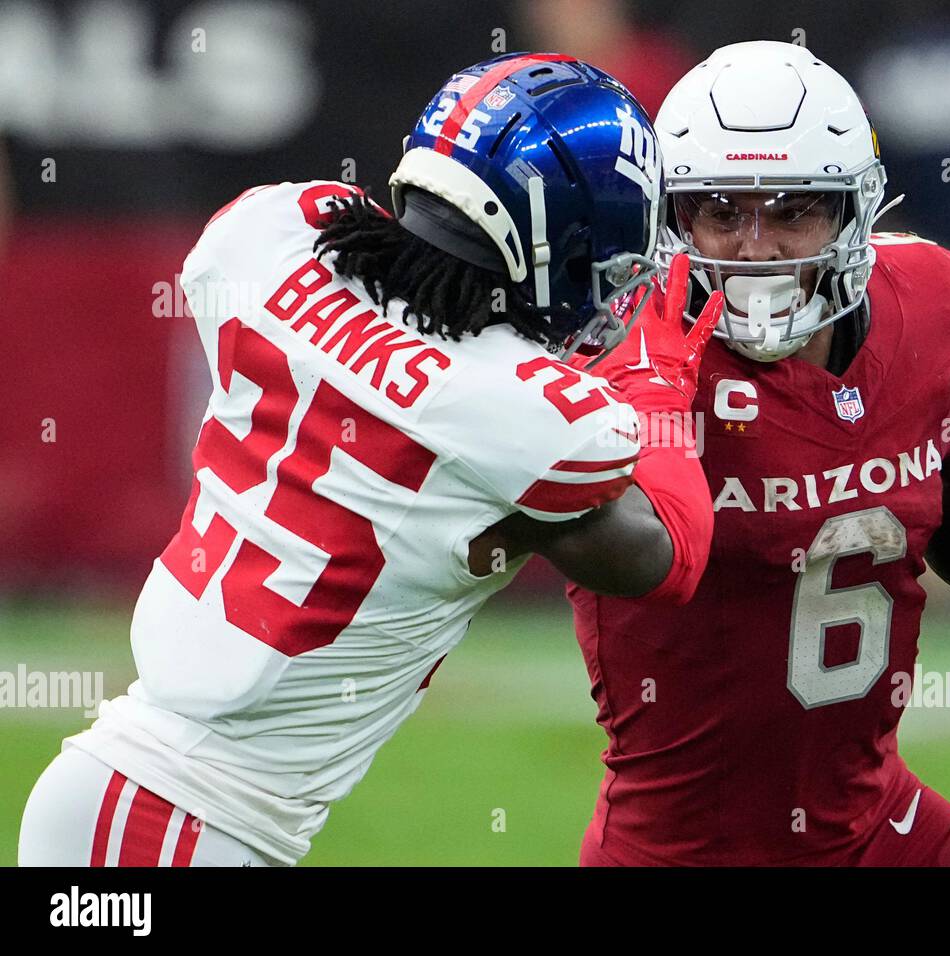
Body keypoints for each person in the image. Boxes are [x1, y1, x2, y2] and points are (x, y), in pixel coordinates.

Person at [18, 53, 722, 867]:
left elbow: (375, 316)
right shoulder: (530, 419)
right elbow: (669, 554)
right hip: (177, 825)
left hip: (138, 800)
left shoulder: (266, 233)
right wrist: (654, 371)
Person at [567, 41, 950, 866]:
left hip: (878, 824)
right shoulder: (623, 367)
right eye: (722, 211)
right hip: (682, 852)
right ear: (671, 218)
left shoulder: (930, 301)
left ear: (853, 211)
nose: (756, 248)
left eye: (792, 208)